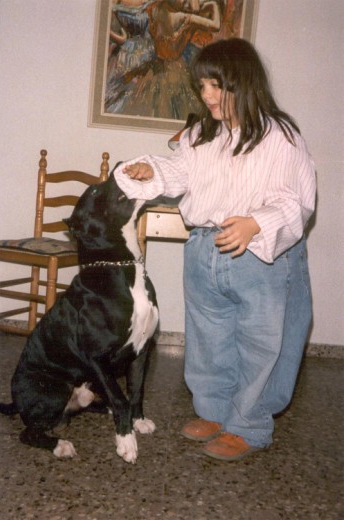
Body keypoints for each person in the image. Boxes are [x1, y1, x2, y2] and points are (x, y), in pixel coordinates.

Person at [113, 38, 316, 461]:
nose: (205, 95)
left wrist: (257, 221)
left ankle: (249, 424)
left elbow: (295, 198)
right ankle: (215, 410)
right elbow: (179, 170)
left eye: (214, 85)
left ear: (243, 82)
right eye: (201, 85)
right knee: (208, 337)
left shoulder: (279, 135)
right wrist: (152, 170)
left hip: (259, 254)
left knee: (261, 343)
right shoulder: (201, 133)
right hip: (204, 248)